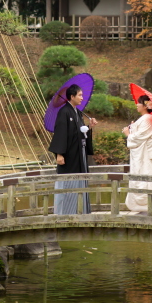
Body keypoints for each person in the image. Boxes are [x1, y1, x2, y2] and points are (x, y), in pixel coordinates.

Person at [48, 84, 98, 214]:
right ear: (72, 96)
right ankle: (66, 212)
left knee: (80, 180)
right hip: (69, 156)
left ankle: (80, 210)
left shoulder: (78, 112)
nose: (82, 98)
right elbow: (61, 133)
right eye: (80, 95)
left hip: (79, 154)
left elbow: (80, 133)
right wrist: (59, 154)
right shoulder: (64, 112)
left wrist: (90, 127)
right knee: (69, 182)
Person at [122, 94, 152, 213]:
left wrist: (128, 133)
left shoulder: (146, 120)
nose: (137, 104)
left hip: (143, 156)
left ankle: (148, 206)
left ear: (145, 105)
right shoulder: (145, 119)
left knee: (144, 179)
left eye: (139, 102)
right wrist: (134, 128)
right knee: (142, 179)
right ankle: (144, 206)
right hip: (142, 156)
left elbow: (139, 138)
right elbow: (141, 135)